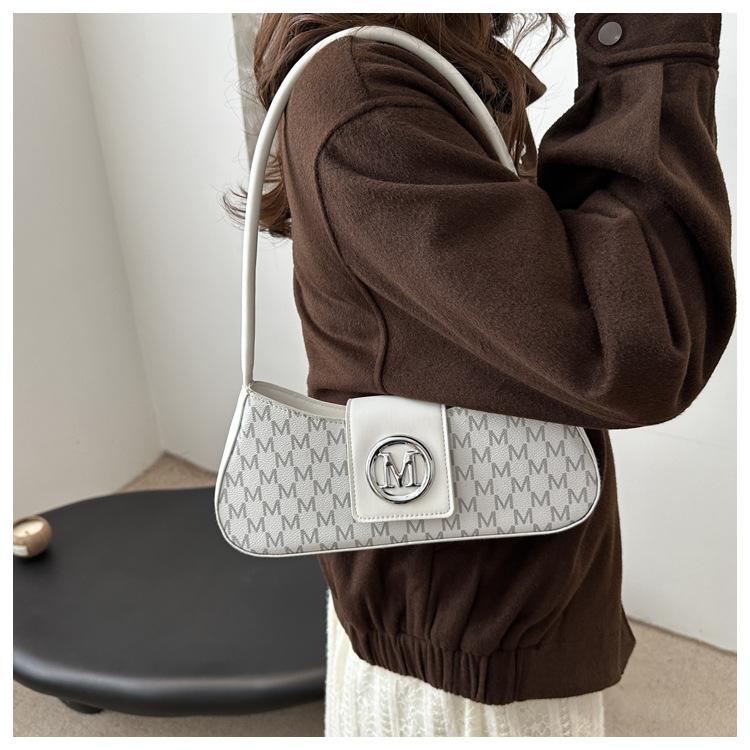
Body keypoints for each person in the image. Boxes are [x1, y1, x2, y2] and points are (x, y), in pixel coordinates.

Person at [236, 12, 735, 737]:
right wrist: (646, 40)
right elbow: (639, 344)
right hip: (466, 627)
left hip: (478, 589)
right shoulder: (367, 95)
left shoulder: (403, 66)